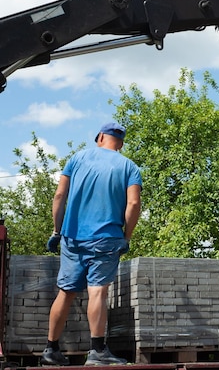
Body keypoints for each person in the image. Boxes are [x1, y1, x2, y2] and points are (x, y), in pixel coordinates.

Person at [41, 122, 142, 366]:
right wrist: (126, 236)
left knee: (65, 293)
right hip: (106, 238)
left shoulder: (77, 159)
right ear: (121, 143)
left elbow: (59, 196)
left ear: (99, 138)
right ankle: (97, 351)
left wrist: (57, 231)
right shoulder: (129, 167)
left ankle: (50, 350)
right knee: (98, 291)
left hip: (73, 237)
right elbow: (133, 205)